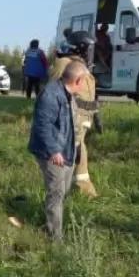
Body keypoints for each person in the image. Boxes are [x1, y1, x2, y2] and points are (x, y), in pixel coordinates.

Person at [29, 60, 89, 241]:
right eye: (85, 81)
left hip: (66, 151)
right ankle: (55, 238)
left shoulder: (68, 94)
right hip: (52, 154)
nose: (85, 85)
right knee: (56, 193)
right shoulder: (50, 94)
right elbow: (42, 126)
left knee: (63, 191)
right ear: (77, 81)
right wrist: (55, 151)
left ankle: (52, 222)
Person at [49, 29, 100, 198]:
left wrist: (96, 116)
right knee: (72, 154)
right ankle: (70, 193)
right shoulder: (65, 64)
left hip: (80, 121)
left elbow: (89, 96)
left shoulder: (80, 66)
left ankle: (80, 192)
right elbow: (53, 91)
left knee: (77, 154)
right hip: (71, 120)